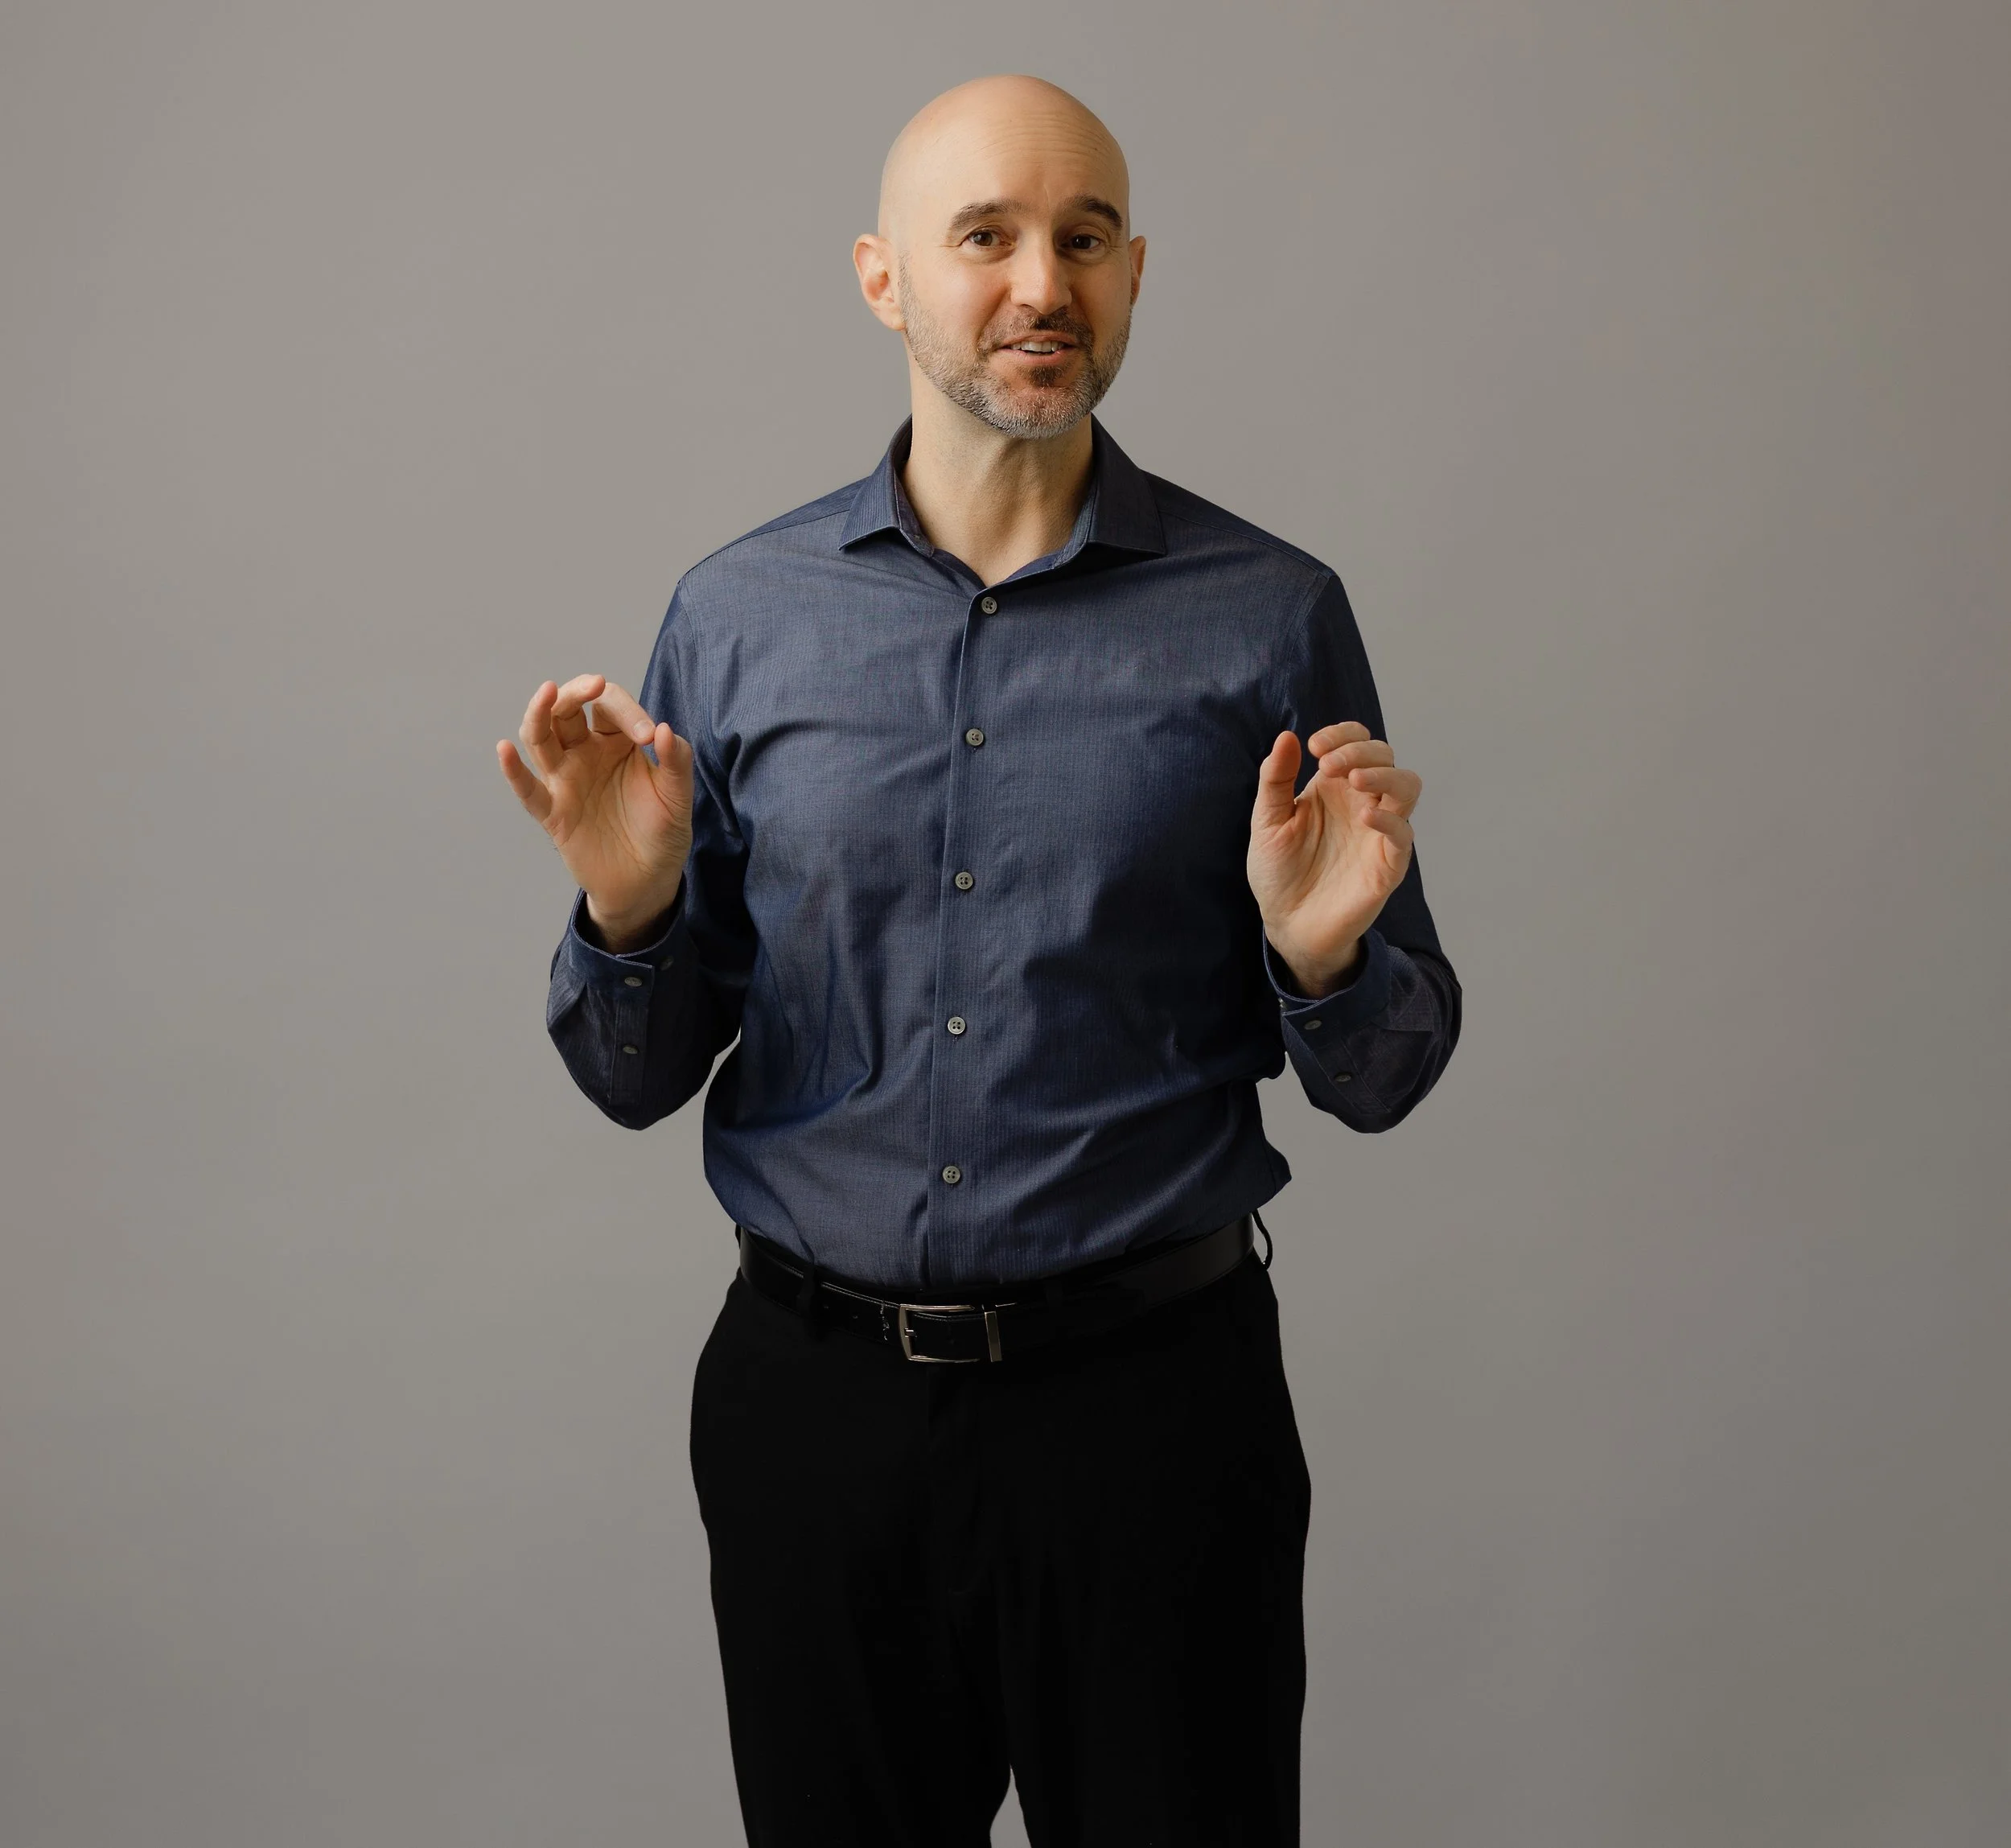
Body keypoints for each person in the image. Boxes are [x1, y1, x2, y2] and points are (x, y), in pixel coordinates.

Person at [496, 71, 1460, 1848]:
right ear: (883, 278)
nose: (1041, 284)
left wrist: (1322, 957)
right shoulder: (738, 616)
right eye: (985, 236)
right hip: (815, 1422)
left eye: (1083, 239)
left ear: (1134, 272)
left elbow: (1386, 1076)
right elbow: (637, 1079)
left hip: (1155, 1424)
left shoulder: (1270, 615)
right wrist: (632, 917)